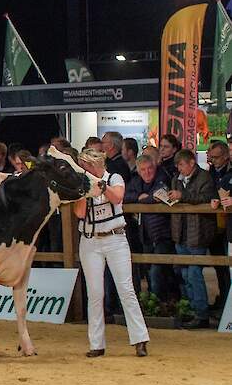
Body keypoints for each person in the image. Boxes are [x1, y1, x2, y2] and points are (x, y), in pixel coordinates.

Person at [73, 148, 148, 357]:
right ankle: (96, 343)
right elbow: (79, 213)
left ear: (94, 165)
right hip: (90, 241)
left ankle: (140, 339)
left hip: (115, 238)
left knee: (126, 289)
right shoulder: (83, 184)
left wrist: (101, 186)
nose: (82, 169)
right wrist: (85, 191)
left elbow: (117, 198)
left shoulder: (114, 178)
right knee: (95, 293)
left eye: (84, 165)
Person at [168, 148, 216, 328]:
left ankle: (201, 314)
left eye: (181, 165)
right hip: (181, 231)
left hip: (198, 232)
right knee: (185, 273)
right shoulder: (176, 179)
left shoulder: (205, 178)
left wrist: (183, 196)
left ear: (191, 163)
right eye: (177, 165)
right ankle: (191, 309)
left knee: (194, 273)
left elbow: (207, 197)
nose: (179, 168)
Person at [124, 155, 175, 299]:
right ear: (139, 171)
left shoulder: (162, 177)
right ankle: (156, 303)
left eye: (150, 168)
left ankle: (158, 301)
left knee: (157, 270)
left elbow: (159, 195)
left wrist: (142, 199)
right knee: (148, 270)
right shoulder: (135, 181)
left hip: (163, 233)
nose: (147, 172)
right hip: (145, 234)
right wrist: (138, 197)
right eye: (143, 170)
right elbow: (124, 195)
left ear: (155, 167)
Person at [206, 141, 231, 310]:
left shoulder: (229, 173)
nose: (213, 161)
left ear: (225, 156)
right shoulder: (210, 173)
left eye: (216, 158)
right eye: (211, 157)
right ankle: (223, 298)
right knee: (219, 267)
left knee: (227, 265)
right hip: (214, 225)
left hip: (228, 225)